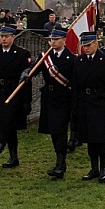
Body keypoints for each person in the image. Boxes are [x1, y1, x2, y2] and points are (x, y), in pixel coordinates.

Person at [72, 32, 105, 182]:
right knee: (89, 137)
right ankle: (94, 167)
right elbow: (75, 86)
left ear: (96, 44)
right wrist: (75, 106)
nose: (86, 48)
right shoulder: (79, 61)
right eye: (84, 46)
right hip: (85, 103)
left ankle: (103, 167)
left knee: (100, 138)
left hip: (101, 103)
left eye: (88, 45)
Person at [0, 25, 32, 169]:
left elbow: (26, 80)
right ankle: (14, 157)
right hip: (0, 92)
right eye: (2, 36)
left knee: (6, 123)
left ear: (13, 37)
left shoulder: (22, 54)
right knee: (9, 126)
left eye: (7, 36)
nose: (4, 39)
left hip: (14, 93)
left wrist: (26, 101)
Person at [37, 29, 75, 179]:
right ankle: (59, 160)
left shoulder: (70, 58)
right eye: (51, 39)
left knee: (59, 131)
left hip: (63, 98)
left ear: (64, 40)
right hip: (48, 97)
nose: (53, 42)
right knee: (53, 130)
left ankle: (61, 163)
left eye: (56, 39)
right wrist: (26, 73)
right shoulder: (46, 56)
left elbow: (73, 81)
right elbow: (34, 68)